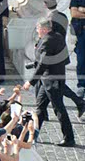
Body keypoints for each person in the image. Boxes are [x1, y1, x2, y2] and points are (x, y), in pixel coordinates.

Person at [23, 18, 75, 147]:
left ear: (44, 29)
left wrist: (31, 82)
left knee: (59, 109)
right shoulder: (57, 37)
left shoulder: (47, 41)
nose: (37, 31)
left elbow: (43, 64)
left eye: (38, 29)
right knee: (40, 108)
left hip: (51, 81)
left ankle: (69, 138)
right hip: (50, 80)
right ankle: (33, 135)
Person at [44, 0, 85, 117]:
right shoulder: (63, 16)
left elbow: (48, 38)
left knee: (54, 84)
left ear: (45, 5)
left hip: (53, 56)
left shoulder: (49, 20)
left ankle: (78, 102)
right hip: (61, 53)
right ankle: (42, 112)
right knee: (48, 83)